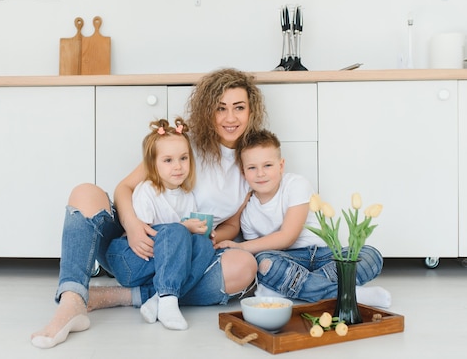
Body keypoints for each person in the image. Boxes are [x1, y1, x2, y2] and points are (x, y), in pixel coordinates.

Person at [31, 68, 266, 349]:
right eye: (221, 108)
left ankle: (126, 296)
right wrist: (131, 226)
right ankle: (72, 301)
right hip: (138, 245)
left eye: (239, 108)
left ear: (251, 112)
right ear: (207, 111)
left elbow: (233, 224)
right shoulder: (181, 144)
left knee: (245, 266)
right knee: (85, 192)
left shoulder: (251, 164)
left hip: (188, 253)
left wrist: (214, 238)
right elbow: (124, 188)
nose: (230, 118)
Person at [216, 129, 391, 308]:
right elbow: (259, 251)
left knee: (370, 255)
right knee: (264, 263)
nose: (260, 173)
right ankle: (349, 294)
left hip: (325, 255)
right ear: (243, 172)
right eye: (252, 167)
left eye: (268, 165)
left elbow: (287, 236)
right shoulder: (248, 214)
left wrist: (240, 246)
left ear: (281, 166)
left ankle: (293, 287)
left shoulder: (296, 184)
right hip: (288, 259)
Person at [105, 117, 214, 331]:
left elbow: (180, 243)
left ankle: (159, 298)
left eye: (183, 158)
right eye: (168, 160)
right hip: (132, 259)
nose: (178, 167)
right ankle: (168, 297)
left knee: (204, 245)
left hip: (159, 268)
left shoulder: (187, 195)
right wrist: (184, 228)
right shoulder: (147, 190)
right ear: (152, 164)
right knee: (176, 231)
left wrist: (199, 232)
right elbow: (149, 239)